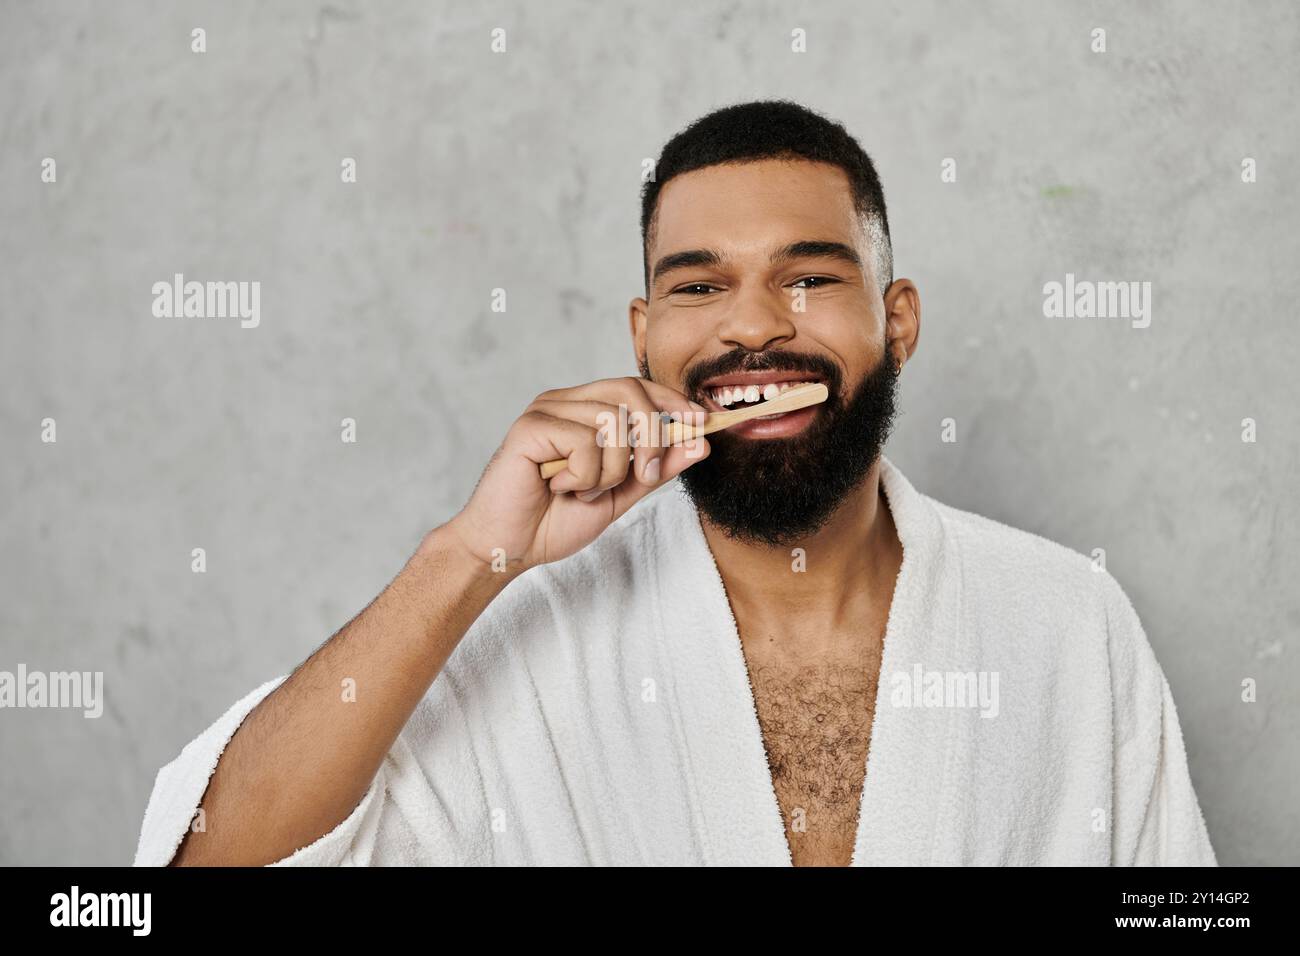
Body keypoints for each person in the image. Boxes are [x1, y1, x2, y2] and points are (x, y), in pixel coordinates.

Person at [135, 100, 1216, 866]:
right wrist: (470, 555)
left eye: (809, 276)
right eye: (700, 285)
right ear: (644, 339)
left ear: (897, 320)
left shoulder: (1067, 620)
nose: (753, 324)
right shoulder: (517, 628)